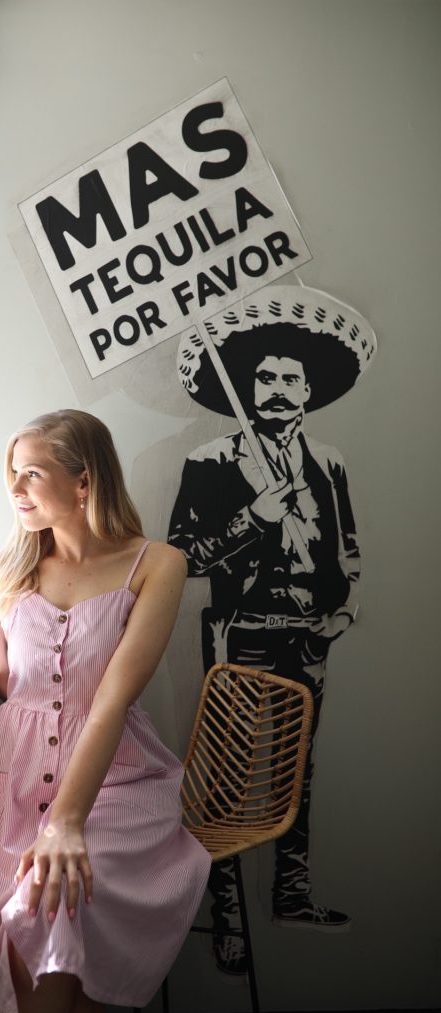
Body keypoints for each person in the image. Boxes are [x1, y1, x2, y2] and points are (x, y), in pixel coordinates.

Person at [0, 409, 211, 1013]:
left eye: (32, 474)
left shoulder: (156, 565)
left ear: (84, 482)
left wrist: (66, 822)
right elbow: (23, 691)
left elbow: (109, 701)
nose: (14, 490)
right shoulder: (9, 569)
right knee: (52, 911)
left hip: (116, 777)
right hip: (15, 775)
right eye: (12, 474)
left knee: (48, 899)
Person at [168, 286, 375, 977]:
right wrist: (253, 516)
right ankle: (227, 921)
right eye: (265, 378)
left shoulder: (330, 461)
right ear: (248, 389)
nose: (278, 389)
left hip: (306, 637)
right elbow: (183, 557)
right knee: (228, 781)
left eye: (290, 379)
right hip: (239, 636)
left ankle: (291, 894)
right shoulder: (208, 463)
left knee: (298, 775)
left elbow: (346, 549)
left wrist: (337, 615)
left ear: (308, 391)